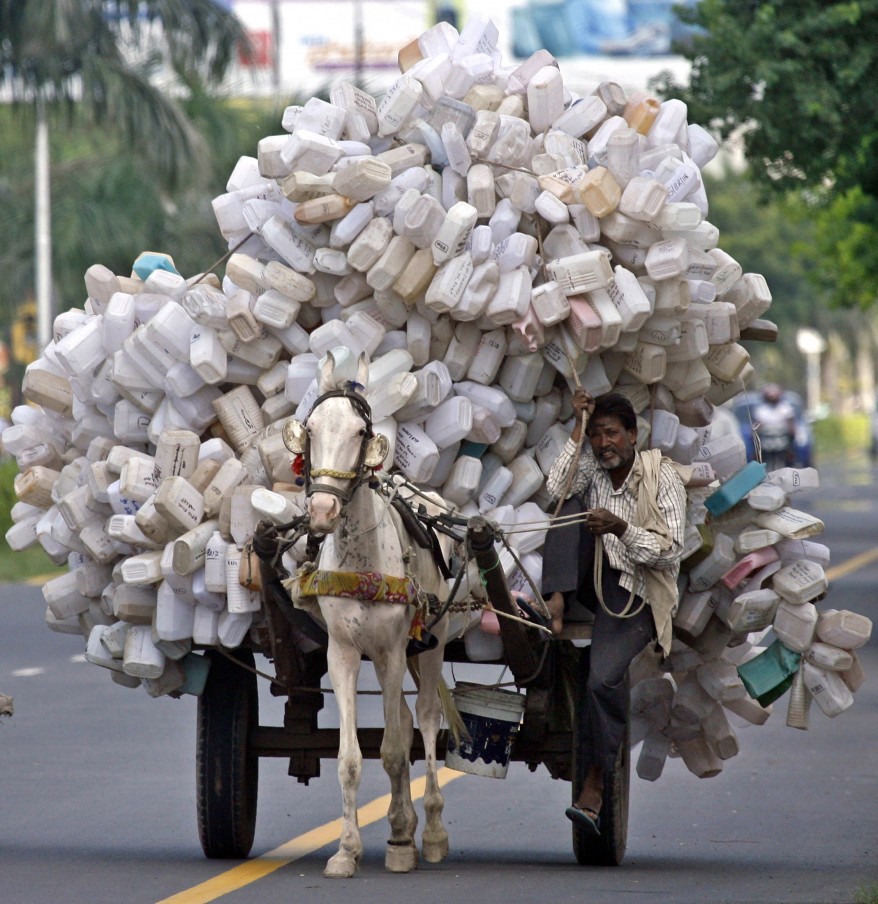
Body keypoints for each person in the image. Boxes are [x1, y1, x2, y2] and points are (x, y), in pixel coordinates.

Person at [542, 389, 686, 836]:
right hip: (589, 581)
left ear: (632, 435)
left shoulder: (661, 477)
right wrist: (578, 427)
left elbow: (669, 552)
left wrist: (621, 528)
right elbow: (556, 487)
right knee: (567, 505)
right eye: (598, 436)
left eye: (611, 434)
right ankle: (556, 597)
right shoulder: (594, 468)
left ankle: (595, 783)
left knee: (602, 679)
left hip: (634, 592)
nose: (604, 443)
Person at [752, 383, 797, 471]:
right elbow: (756, 427)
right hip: (766, 444)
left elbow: (791, 426)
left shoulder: (785, 408)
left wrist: (792, 434)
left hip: (783, 443)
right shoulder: (761, 410)